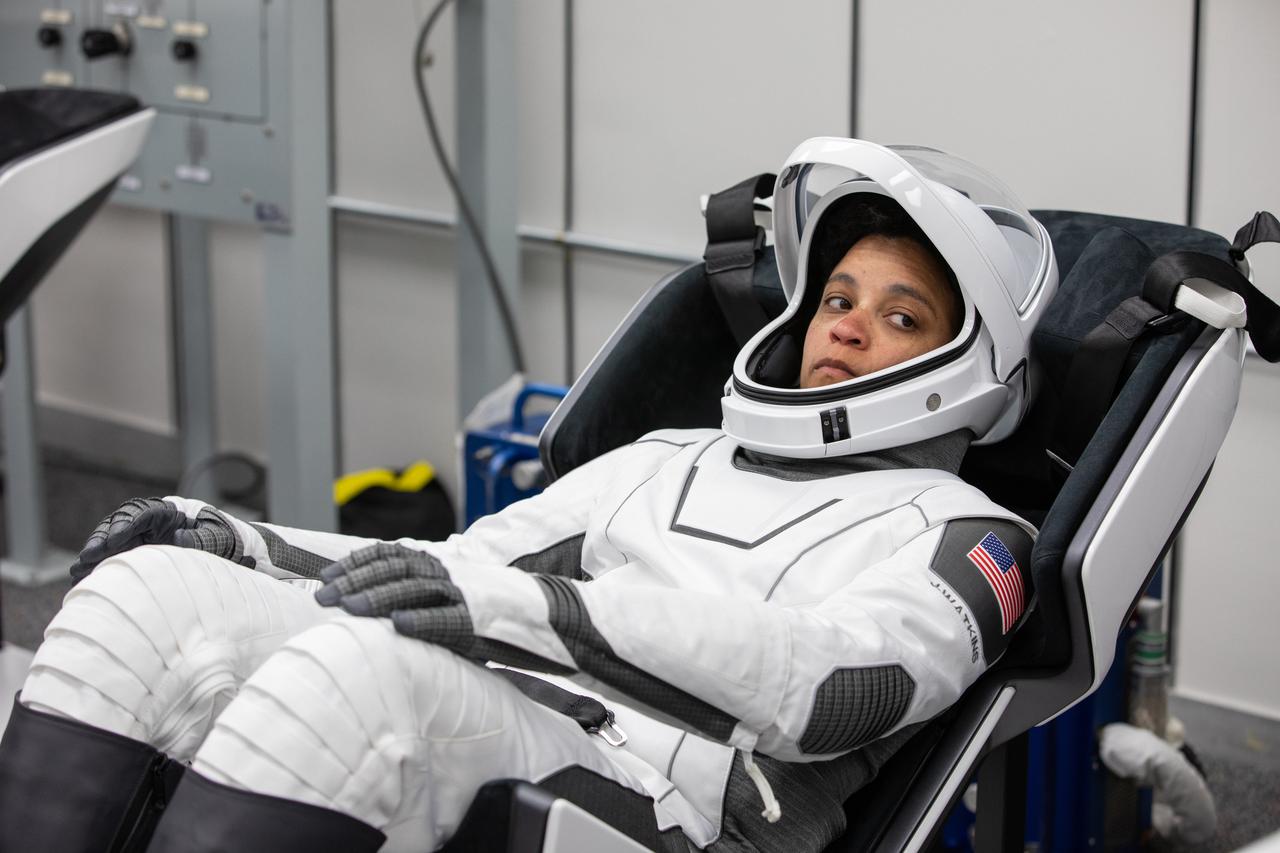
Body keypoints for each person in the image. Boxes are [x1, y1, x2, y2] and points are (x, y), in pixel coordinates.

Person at [0, 138, 1057, 853]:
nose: (845, 326)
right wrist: (238, 540)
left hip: (683, 802)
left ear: (972, 368)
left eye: (900, 314)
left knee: (358, 682)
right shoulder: (673, 455)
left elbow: (834, 691)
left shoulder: (974, 538)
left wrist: (538, 612)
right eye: (836, 297)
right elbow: (459, 570)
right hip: (527, 707)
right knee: (146, 599)